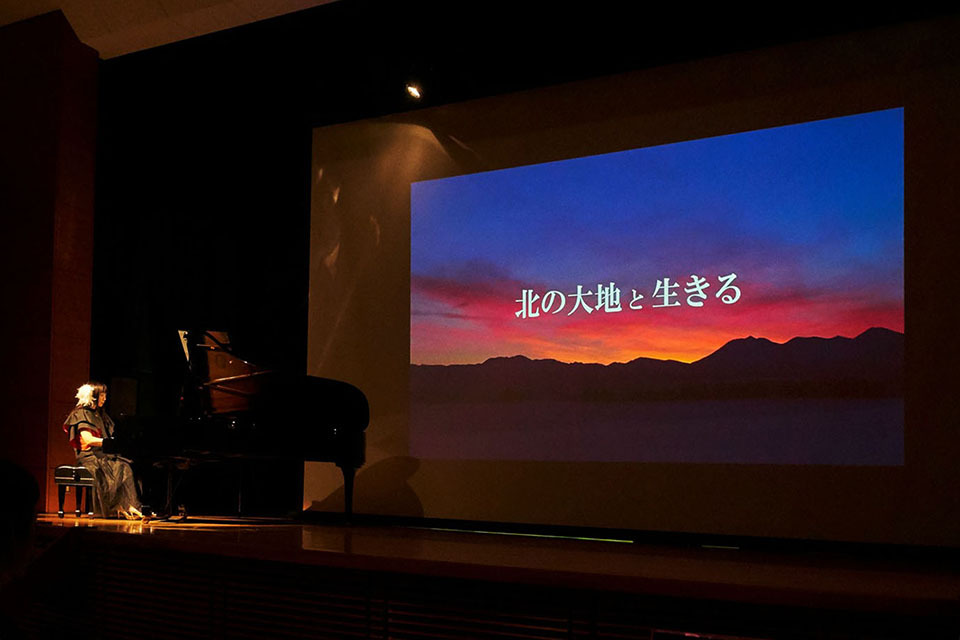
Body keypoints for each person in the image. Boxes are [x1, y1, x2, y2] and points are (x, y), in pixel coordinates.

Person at [63, 382, 143, 519]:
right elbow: (88, 439)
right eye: (101, 395)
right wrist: (109, 442)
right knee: (120, 468)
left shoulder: (100, 415)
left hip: (102, 454)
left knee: (128, 466)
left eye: (105, 395)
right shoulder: (81, 414)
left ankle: (129, 505)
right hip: (89, 457)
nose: (104, 398)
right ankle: (121, 507)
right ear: (93, 396)